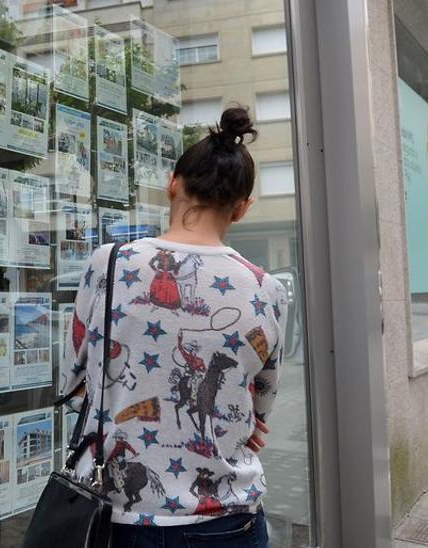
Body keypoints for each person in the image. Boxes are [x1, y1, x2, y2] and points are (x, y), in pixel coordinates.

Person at [59, 107, 285, 547]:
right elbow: (259, 411)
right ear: (242, 208)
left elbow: (73, 383)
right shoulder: (267, 288)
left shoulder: (109, 263)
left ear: (172, 184)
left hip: (118, 517)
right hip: (229, 520)